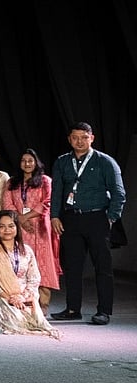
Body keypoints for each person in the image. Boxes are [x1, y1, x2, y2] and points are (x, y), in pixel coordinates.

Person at [50, 122, 126, 325]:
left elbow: (119, 193)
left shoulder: (105, 162)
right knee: (73, 266)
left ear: (92, 138)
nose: (79, 141)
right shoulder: (62, 162)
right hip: (70, 218)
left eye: (84, 137)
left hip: (97, 218)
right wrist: (54, 216)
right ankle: (73, 309)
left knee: (102, 266)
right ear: (69, 139)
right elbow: (56, 191)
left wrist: (110, 218)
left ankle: (104, 311)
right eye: (75, 137)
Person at [0, 211, 60, 339]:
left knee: (35, 320)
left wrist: (22, 297)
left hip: (24, 297)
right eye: (2, 226)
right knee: (15, 321)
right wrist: (10, 297)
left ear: (17, 228)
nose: (7, 230)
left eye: (11, 226)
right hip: (0, 296)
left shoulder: (27, 251)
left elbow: (34, 279)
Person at [2, 149, 60, 310]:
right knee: (20, 263)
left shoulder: (45, 180)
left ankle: (43, 306)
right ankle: (21, 303)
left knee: (42, 264)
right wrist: (20, 219)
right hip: (18, 228)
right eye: (23, 161)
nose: (27, 164)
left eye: (30, 160)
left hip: (40, 228)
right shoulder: (12, 182)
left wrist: (26, 217)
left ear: (36, 163)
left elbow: (48, 201)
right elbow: (7, 204)